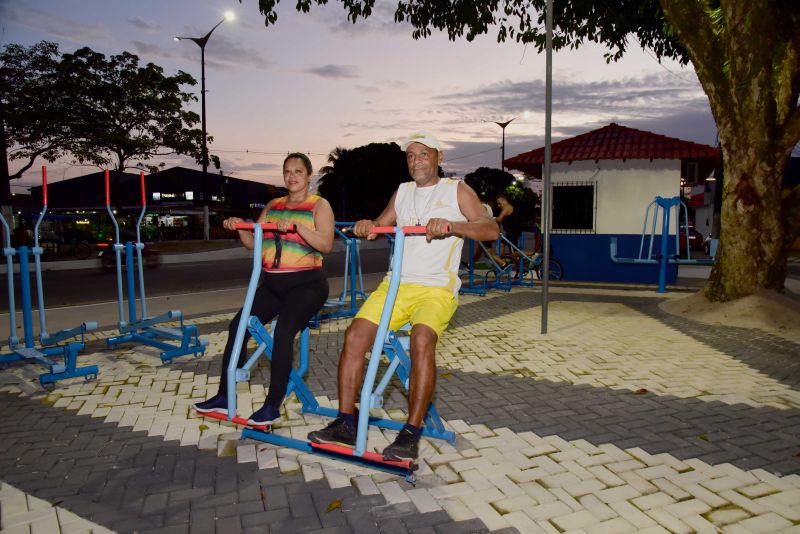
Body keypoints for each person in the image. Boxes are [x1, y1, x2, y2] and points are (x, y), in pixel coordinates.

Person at [307, 131, 499, 461]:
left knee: (422, 340)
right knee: (354, 336)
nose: (416, 160)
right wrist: (367, 227)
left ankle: (410, 433)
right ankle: (345, 422)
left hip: (436, 287)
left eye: (423, 154)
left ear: (439, 157)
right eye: (410, 155)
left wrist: (453, 226)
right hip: (396, 284)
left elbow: (490, 228)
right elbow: (381, 223)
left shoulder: (456, 190)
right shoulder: (403, 192)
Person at [194, 153, 335, 425]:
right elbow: (253, 243)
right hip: (272, 284)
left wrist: (297, 227)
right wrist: (239, 227)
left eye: (298, 171)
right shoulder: (273, 205)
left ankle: (272, 405)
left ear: (308, 176)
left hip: (307, 284)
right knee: (237, 327)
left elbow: (326, 244)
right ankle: (225, 396)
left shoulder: (319, 205)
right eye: (287, 172)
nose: (292, 176)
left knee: (283, 333)